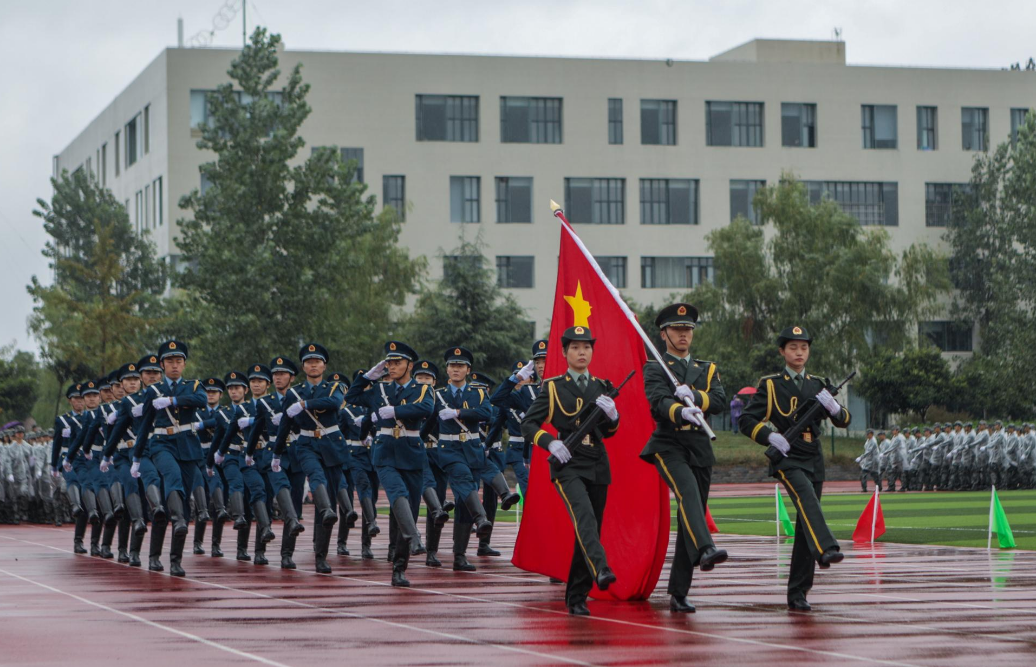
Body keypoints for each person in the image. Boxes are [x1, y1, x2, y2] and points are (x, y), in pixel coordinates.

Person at [738, 326, 851, 612]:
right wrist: (768, 436)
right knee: (807, 500)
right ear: (782, 352)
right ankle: (827, 548)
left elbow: (843, 420)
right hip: (787, 454)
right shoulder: (771, 384)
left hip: (813, 455)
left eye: (803, 347)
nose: (799, 352)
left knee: (804, 523)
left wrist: (835, 409)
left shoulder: (818, 384)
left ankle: (799, 592)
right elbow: (747, 420)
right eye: (793, 347)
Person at [520, 326, 621, 617]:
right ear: (564, 353)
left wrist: (613, 416)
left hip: (597, 463)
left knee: (588, 529)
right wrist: (550, 442)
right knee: (584, 516)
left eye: (586, 347)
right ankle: (601, 567)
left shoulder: (602, 386)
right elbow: (528, 425)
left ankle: (577, 595)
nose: (581, 352)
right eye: (575, 347)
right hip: (568, 464)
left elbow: (609, 432)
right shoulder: (552, 387)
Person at [640, 303, 729, 613]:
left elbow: (719, 399)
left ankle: (679, 591)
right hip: (669, 444)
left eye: (688, 329)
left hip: (699, 447)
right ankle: (706, 548)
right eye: (677, 330)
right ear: (664, 334)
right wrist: (678, 408)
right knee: (687, 493)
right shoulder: (656, 367)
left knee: (690, 514)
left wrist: (697, 398)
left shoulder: (707, 368)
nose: (683, 335)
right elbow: (656, 401)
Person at [345, 341, 434, 587]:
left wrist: (395, 411)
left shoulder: (422, 388)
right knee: (397, 493)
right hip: (384, 454)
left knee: (409, 510)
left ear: (409, 365)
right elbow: (350, 397)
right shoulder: (379, 390)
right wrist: (367, 377)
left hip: (412, 453)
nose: (392, 366)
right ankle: (414, 539)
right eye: (389, 362)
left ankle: (399, 565)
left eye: (397, 362)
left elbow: (426, 408)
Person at [132, 341, 208, 577]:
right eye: (170, 361)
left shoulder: (193, 385)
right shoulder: (153, 391)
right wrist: (136, 457)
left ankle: (175, 560)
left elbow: (202, 400)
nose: (175, 365)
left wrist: (173, 401)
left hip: (188, 446)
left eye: (179, 361)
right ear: (163, 364)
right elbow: (144, 426)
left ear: (184, 363)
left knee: (183, 502)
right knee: (171, 476)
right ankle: (155, 555)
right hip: (162, 444)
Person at [273, 343, 348, 575]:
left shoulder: (335, 387)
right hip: (306, 444)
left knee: (329, 500)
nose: (313, 365)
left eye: (317, 361)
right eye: (308, 362)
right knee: (316, 476)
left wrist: (306, 405)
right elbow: (285, 424)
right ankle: (324, 509)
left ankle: (321, 556)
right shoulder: (294, 392)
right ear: (304, 366)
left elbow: (334, 403)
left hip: (332, 444)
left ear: (324, 365)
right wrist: (276, 453)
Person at [246, 359, 309, 569]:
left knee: (295, 500)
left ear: (291, 377)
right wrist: (249, 452)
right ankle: (259, 550)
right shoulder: (265, 402)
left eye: (283, 374)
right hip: (273, 452)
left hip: (297, 453)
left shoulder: (300, 398)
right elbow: (256, 429)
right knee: (278, 487)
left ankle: (286, 554)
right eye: (275, 374)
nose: (278, 378)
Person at [210, 370, 270, 564]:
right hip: (232, 455)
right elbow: (219, 437)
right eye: (231, 389)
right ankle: (241, 544)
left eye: (237, 388)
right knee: (238, 491)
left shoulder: (256, 409)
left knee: (258, 500)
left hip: (254, 456)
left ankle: (260, 550)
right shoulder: (224, 413)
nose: (234, 392)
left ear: (245, 390)